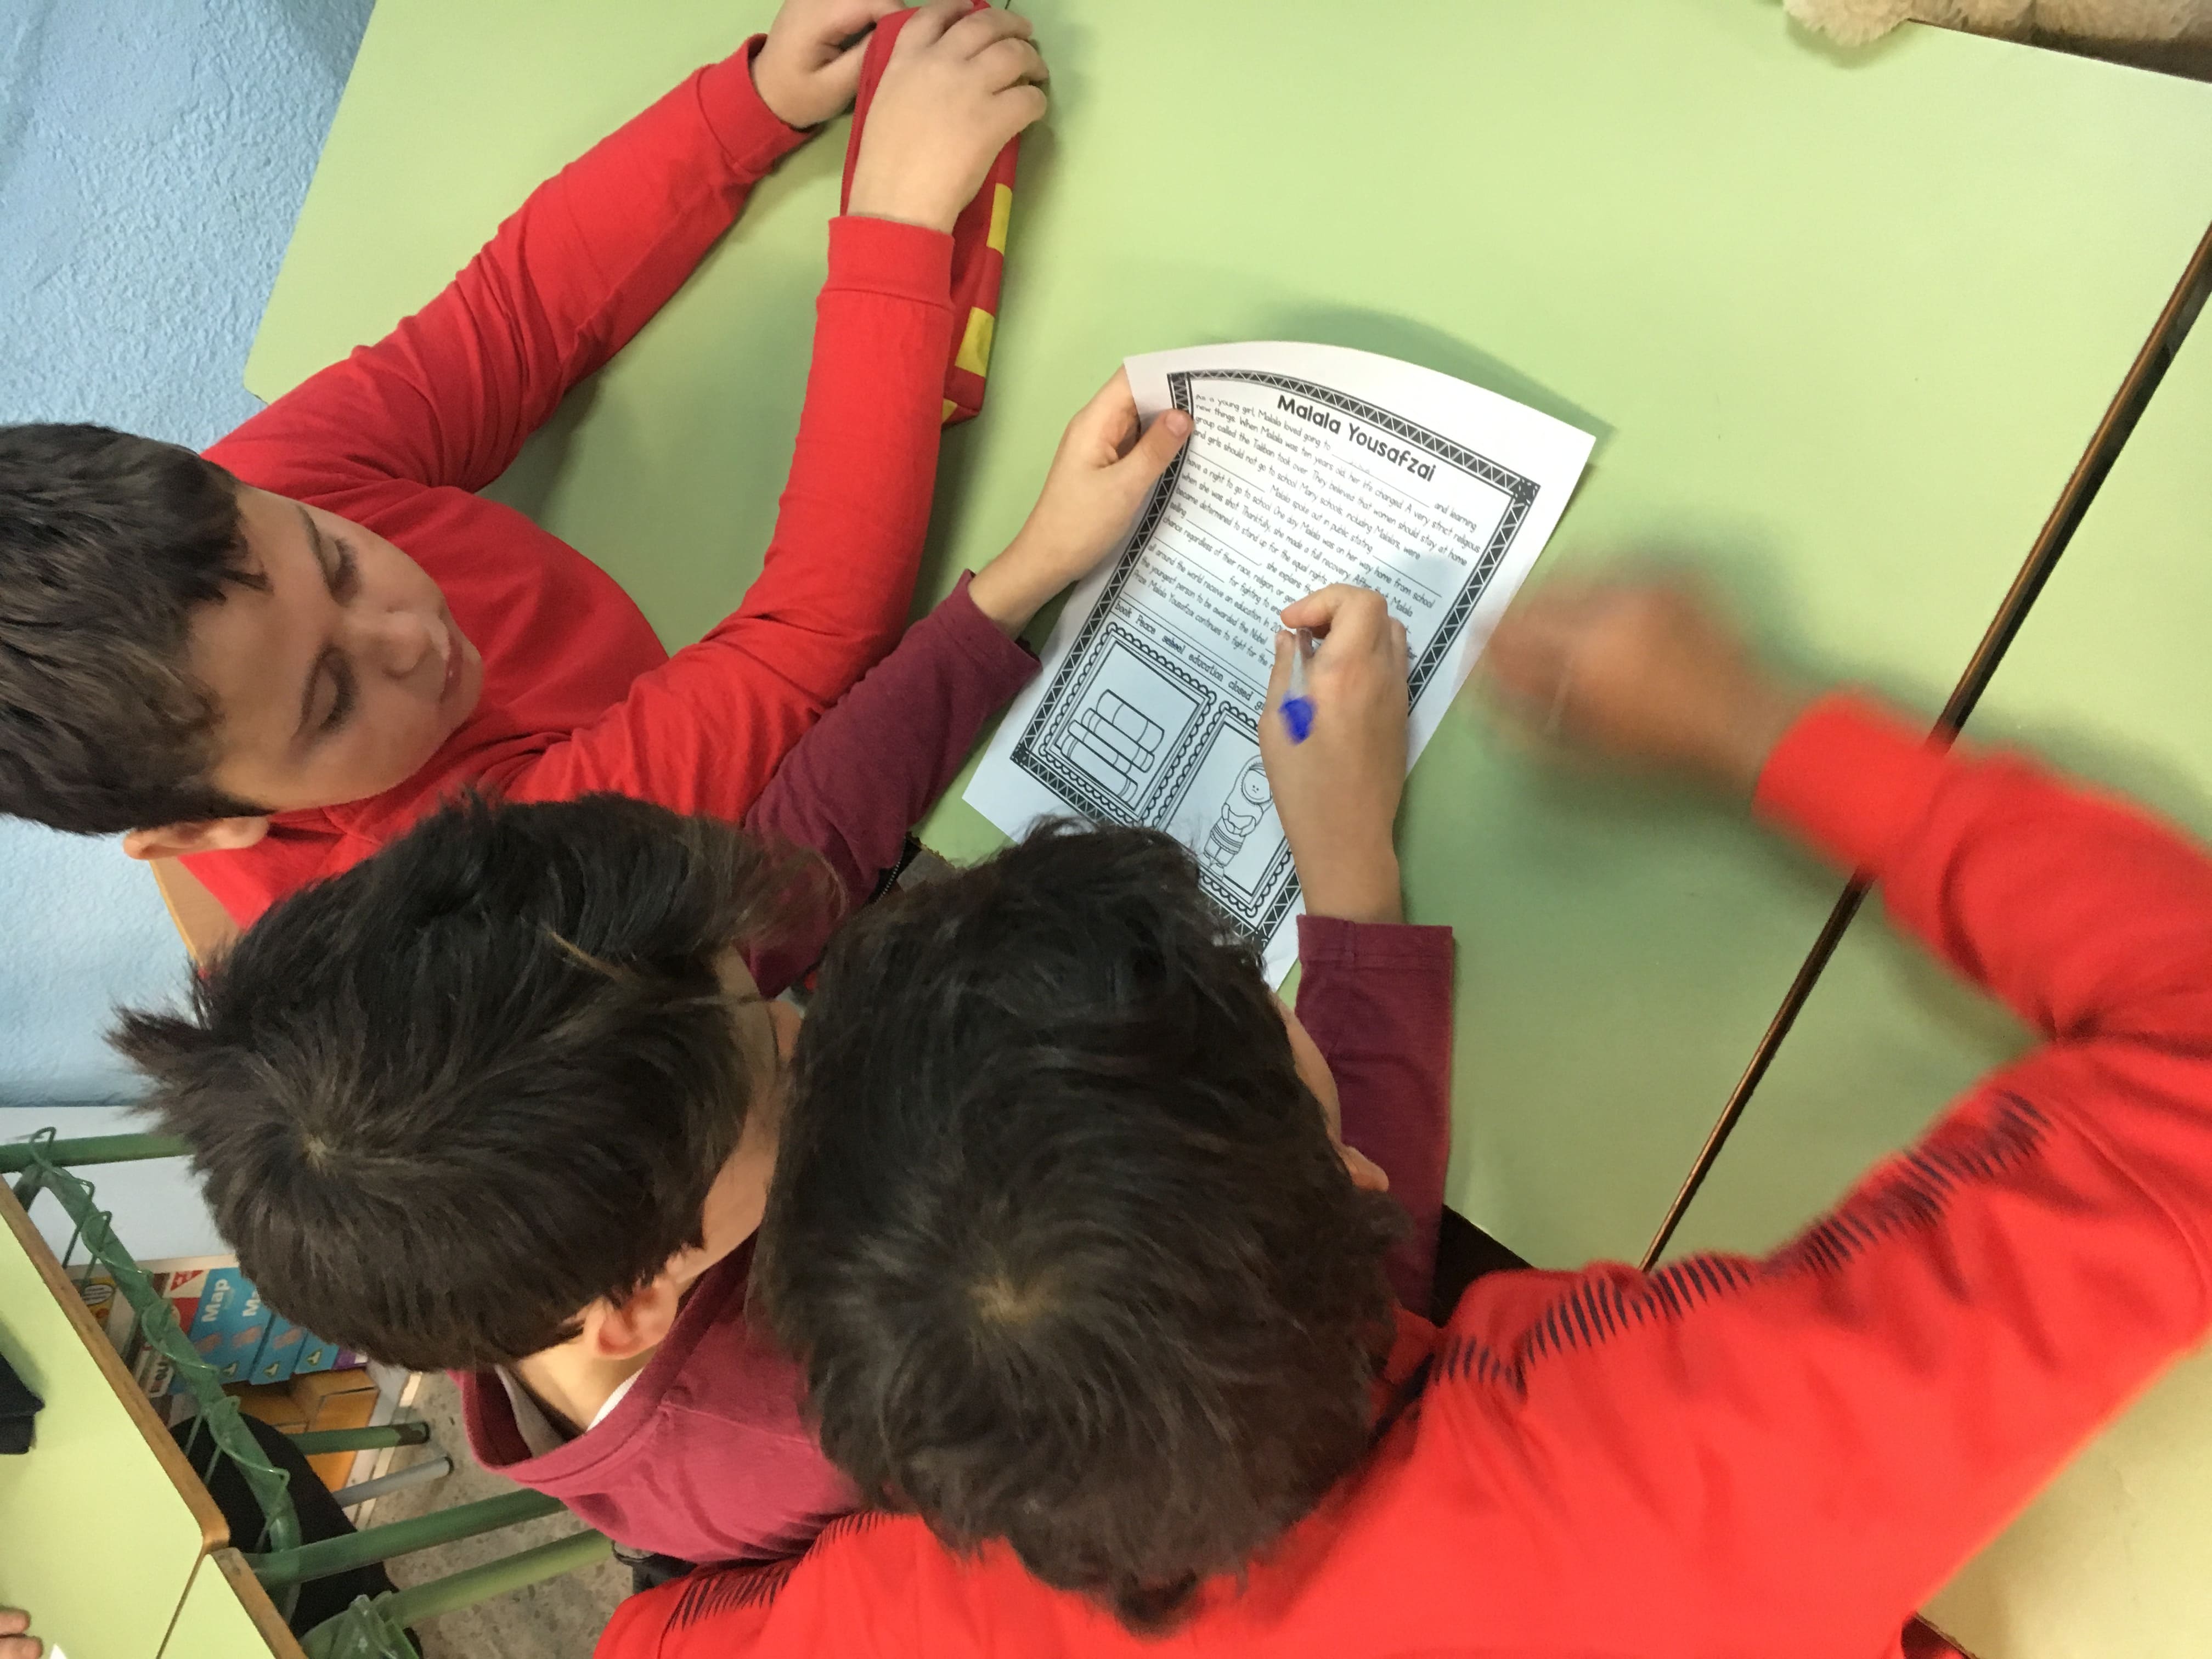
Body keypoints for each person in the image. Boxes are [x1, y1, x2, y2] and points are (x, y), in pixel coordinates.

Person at [598, 575, 2212, 1659]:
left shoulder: (916, 1605)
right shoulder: (1655, 1471)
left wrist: (1352, 892)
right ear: (1355, 1169)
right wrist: (1750, 719)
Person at [116, 376, 1193, 1570]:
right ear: (644, 1303)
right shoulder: (829, 1417)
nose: (803, 1023)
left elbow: (797, 860)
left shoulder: (571, 1123)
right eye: (783, 1069)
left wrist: (1020, 582)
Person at [0, 0, 1047, 928]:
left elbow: (518, 316)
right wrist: (896, 225)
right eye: (331, 698)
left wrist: (756, 101)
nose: (409, 637)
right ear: (202, 833)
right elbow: (809, 639)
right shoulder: (465, 889)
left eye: (341, 562)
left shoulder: (260, 504)